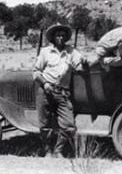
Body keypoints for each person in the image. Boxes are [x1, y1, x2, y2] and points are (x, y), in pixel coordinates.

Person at [32, 24, 85, 158]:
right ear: (53, 37)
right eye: (57, 35)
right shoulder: (45, 52)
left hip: (62, 93)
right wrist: (45, 84)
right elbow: (36, 72)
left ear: (66, 37)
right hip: (45, 90)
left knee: (69, 126)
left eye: (63, 35)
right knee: (45, 124)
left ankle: (58, 150)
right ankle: (47, 150)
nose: (60, 38)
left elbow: (80, 63)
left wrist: (82, 63)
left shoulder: (71, 51)